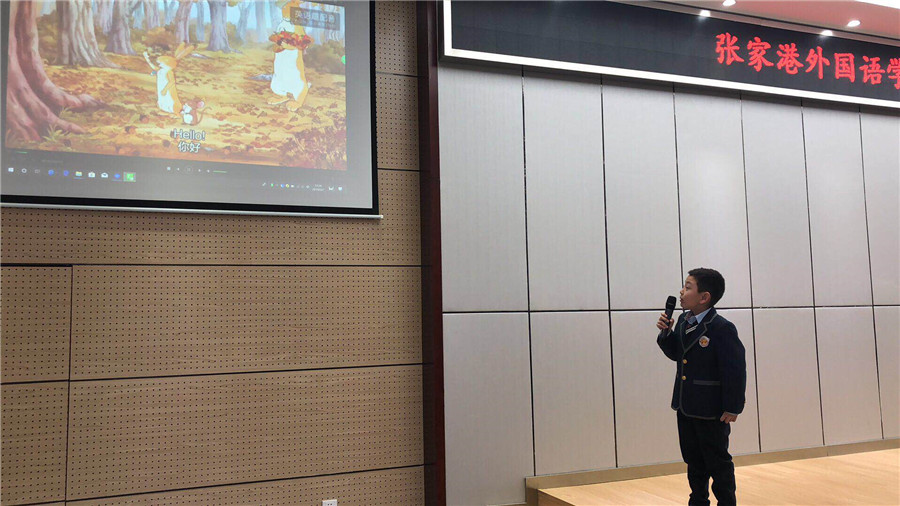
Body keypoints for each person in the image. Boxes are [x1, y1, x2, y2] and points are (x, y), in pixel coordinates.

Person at [657, 268, 747, 506]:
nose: (681, 292)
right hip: (686, 405)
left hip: (711, 409)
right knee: (693, 459)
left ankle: (726, 502)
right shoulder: (683, 322)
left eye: (688, 287)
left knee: (717, 461)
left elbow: (735, 370)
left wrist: (733, 406)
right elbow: (678, 355)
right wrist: (666, 334)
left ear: (704, 297)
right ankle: (698, 500)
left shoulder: (721, 328)